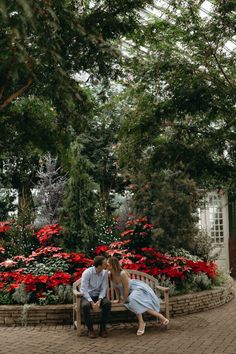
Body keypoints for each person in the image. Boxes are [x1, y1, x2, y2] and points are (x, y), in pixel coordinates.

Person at [107, 256, 169, 336]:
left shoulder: (122, 273)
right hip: (129, 293)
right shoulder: (110, 274)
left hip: (135, 288)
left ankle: (142, 323)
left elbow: (126, 288)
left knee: (132, 300)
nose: (106, 265)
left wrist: (124, 300)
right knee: (134, 301)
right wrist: (119, 299)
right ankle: (158, 317)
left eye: (108, 264)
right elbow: (116, 288)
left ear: (113, 265)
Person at [80, 255, 111, 338]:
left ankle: (103, 329)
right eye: (105, 264)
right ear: (99, 265)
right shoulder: (87, 273)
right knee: (85, 306)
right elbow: (83, 290)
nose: (107, 265)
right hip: (87, 296)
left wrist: (100, 300)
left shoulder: (104, 273)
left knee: (107, 303)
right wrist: (91, 302)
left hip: (98, 296)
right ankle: (90, 330)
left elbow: (104, 288)